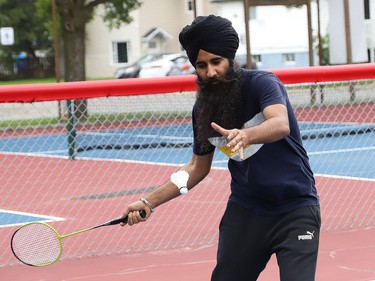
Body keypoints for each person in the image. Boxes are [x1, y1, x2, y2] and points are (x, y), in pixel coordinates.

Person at [120, 15, 321, 281]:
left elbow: (280, 123)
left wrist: (246, 134)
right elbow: (196, 167)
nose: (210, 72)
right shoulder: (203, 109)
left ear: (230, 59)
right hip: (246, 211)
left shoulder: (262, 83)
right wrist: (148, 201)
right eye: (201, 65)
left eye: (216, 62)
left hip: (295, 209)